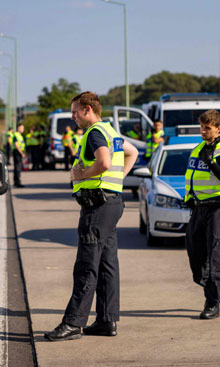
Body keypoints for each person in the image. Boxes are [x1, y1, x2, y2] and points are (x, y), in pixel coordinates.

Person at [45, 91, 138, 341]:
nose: (73, 116)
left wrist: (82, 174)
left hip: (97, 207)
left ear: (88, 109)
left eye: (75, 111)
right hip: (112, 203)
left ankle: (73, 323)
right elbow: (133, 154)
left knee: (87, 264)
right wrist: (117, 182)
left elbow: (105, 163)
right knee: (108, 264)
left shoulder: (95, 133)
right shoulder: (112, 132)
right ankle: (107, 321)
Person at [184, 109, 220, 320]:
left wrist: (211, 163)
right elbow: (191, 176)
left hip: (218, 209)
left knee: (216, 256)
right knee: (195, 256)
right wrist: (188, 196)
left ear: (218, 129)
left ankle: (212, 302)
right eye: (202, 127)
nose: (204, 131)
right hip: (198, 209)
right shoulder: (198, 148)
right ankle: (213, 284)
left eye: (208, 128)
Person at [12, 123, 26, 188]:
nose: (23, 129)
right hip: (17, 152)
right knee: (18, 167)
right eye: (22, 128)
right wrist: (21, 153)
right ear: (19, 128)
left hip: (19, 152)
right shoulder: (16, 135)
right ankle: (17, 182)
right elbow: (16, 145)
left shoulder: (20, 135)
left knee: (18, 167)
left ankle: (17, 182)